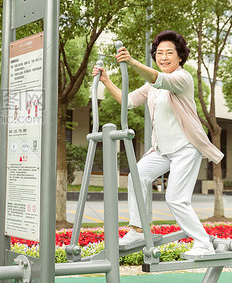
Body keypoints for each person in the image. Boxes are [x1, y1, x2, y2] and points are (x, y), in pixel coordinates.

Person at [93, 30, 223, 256]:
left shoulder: (183, 78)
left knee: (176, 198)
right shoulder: (152, 86)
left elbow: (157, 78)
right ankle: (137, 230)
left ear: (180, 56)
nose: (164, 57)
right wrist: (106, 80)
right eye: (159, 53)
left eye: (169, 53)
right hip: (162, 150)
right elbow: (128, 100)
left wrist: (131, 61)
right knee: (137, 175)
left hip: (186, 148)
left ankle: (203, 243)